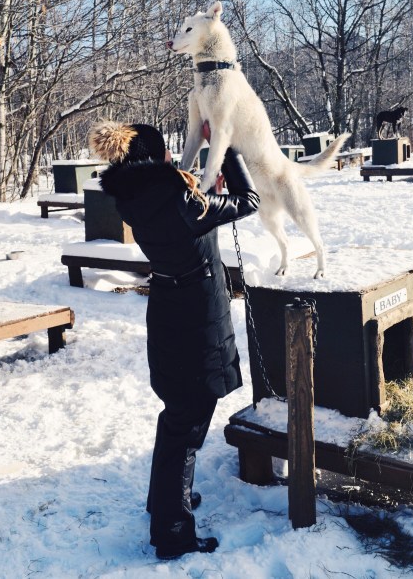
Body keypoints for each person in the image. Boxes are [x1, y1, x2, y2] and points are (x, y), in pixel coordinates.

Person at [88, 120, 259, 560]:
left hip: (169, 308)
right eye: (166, 151)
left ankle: (164, 500)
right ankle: (173, 532)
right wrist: (228, 148)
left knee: (176, 415)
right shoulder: (180, 199)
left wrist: (204, 191)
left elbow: (186, 211)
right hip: (195, 317)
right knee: (189, 423)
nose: (171, 156)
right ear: (155, 157)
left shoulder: (135, 194)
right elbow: (248, 201)